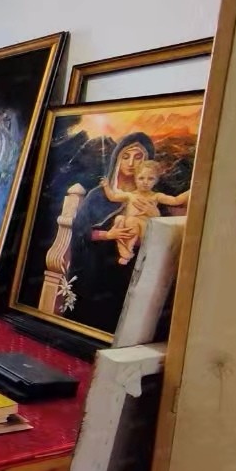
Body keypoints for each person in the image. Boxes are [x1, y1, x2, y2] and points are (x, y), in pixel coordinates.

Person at [67, 132, 155, 331]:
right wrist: (108, 235)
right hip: (96, 272)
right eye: (126, 156)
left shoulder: (152, 200)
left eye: (138, 157)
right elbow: (80, 232)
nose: (131, 163)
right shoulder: (98, 196)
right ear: (117, 159)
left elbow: (163, 242)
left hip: (132, 273)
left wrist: (153, 217)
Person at [99, 161, 190, 264]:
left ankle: (128, 252)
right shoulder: (130, 195)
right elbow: (112, 197)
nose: (145, 182)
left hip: (145, 229)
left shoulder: (156, 196)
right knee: (119, 219)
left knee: (132, 221)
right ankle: (124, 251)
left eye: (150, 179)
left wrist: (192, 190)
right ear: (135, 179)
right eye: (141, 178)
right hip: (130, 229)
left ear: (156, 181)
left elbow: (176, 200)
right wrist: (106, 186)